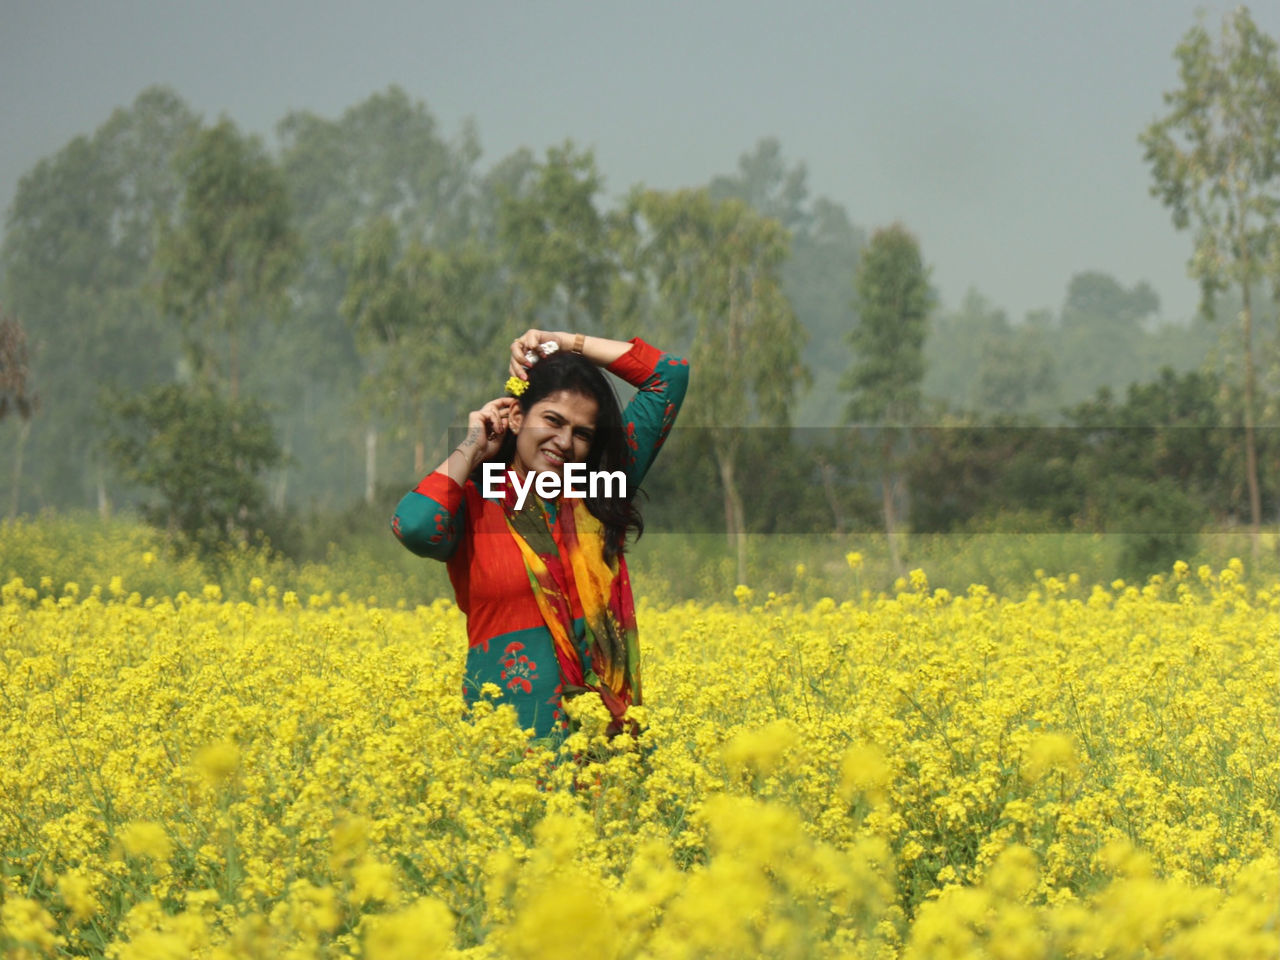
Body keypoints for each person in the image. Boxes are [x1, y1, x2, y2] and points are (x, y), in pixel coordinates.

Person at [391, 329, 689, 740]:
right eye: (552, 420)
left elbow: (669, 375)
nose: (565, 442)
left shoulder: (598, 496)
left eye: (582, 433)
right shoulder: (477, 505)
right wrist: (474, 442)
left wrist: (563, 343)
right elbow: (415, 525)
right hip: (508, 756)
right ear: (515, 417)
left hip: (604, 760)